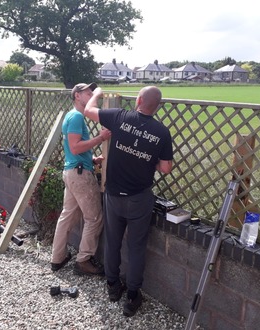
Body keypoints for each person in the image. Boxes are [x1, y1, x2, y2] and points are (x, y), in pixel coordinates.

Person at [84, 86, 173, 317]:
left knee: (112, 241)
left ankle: (113, 287)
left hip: (113, 195)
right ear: (157, 106)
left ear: (139, 100)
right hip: (139, 199)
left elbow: (88, 109)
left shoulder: (120, 117)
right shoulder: (162, 132)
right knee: (136, 248)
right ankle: (132, 296)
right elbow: (165, 168)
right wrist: (149, 159)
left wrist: (97, 93)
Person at [50, 82, 111, 276]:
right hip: (80, 176)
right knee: (94, 218)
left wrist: (91, 159)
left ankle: (57, 258)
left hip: (72, 171)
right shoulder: (76, 116)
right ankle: (83, 260)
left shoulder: (71, 116)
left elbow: (72, 149)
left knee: (67, 217)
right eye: (88, 92)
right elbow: (76, 147)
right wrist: (101, 138)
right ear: (77, 95)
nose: (92, 94)